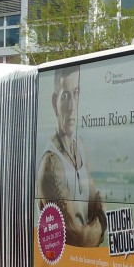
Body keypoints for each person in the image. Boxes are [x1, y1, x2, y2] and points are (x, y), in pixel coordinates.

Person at [37, 65, 105, 247]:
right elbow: (78, 238)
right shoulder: (50, 163)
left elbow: (96, 199)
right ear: (54, 103)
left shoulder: (80, 146)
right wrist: (100, 222)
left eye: (75, 94)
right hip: (66, 263)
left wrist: (96, 218)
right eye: (65, 96)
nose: (71, 107)